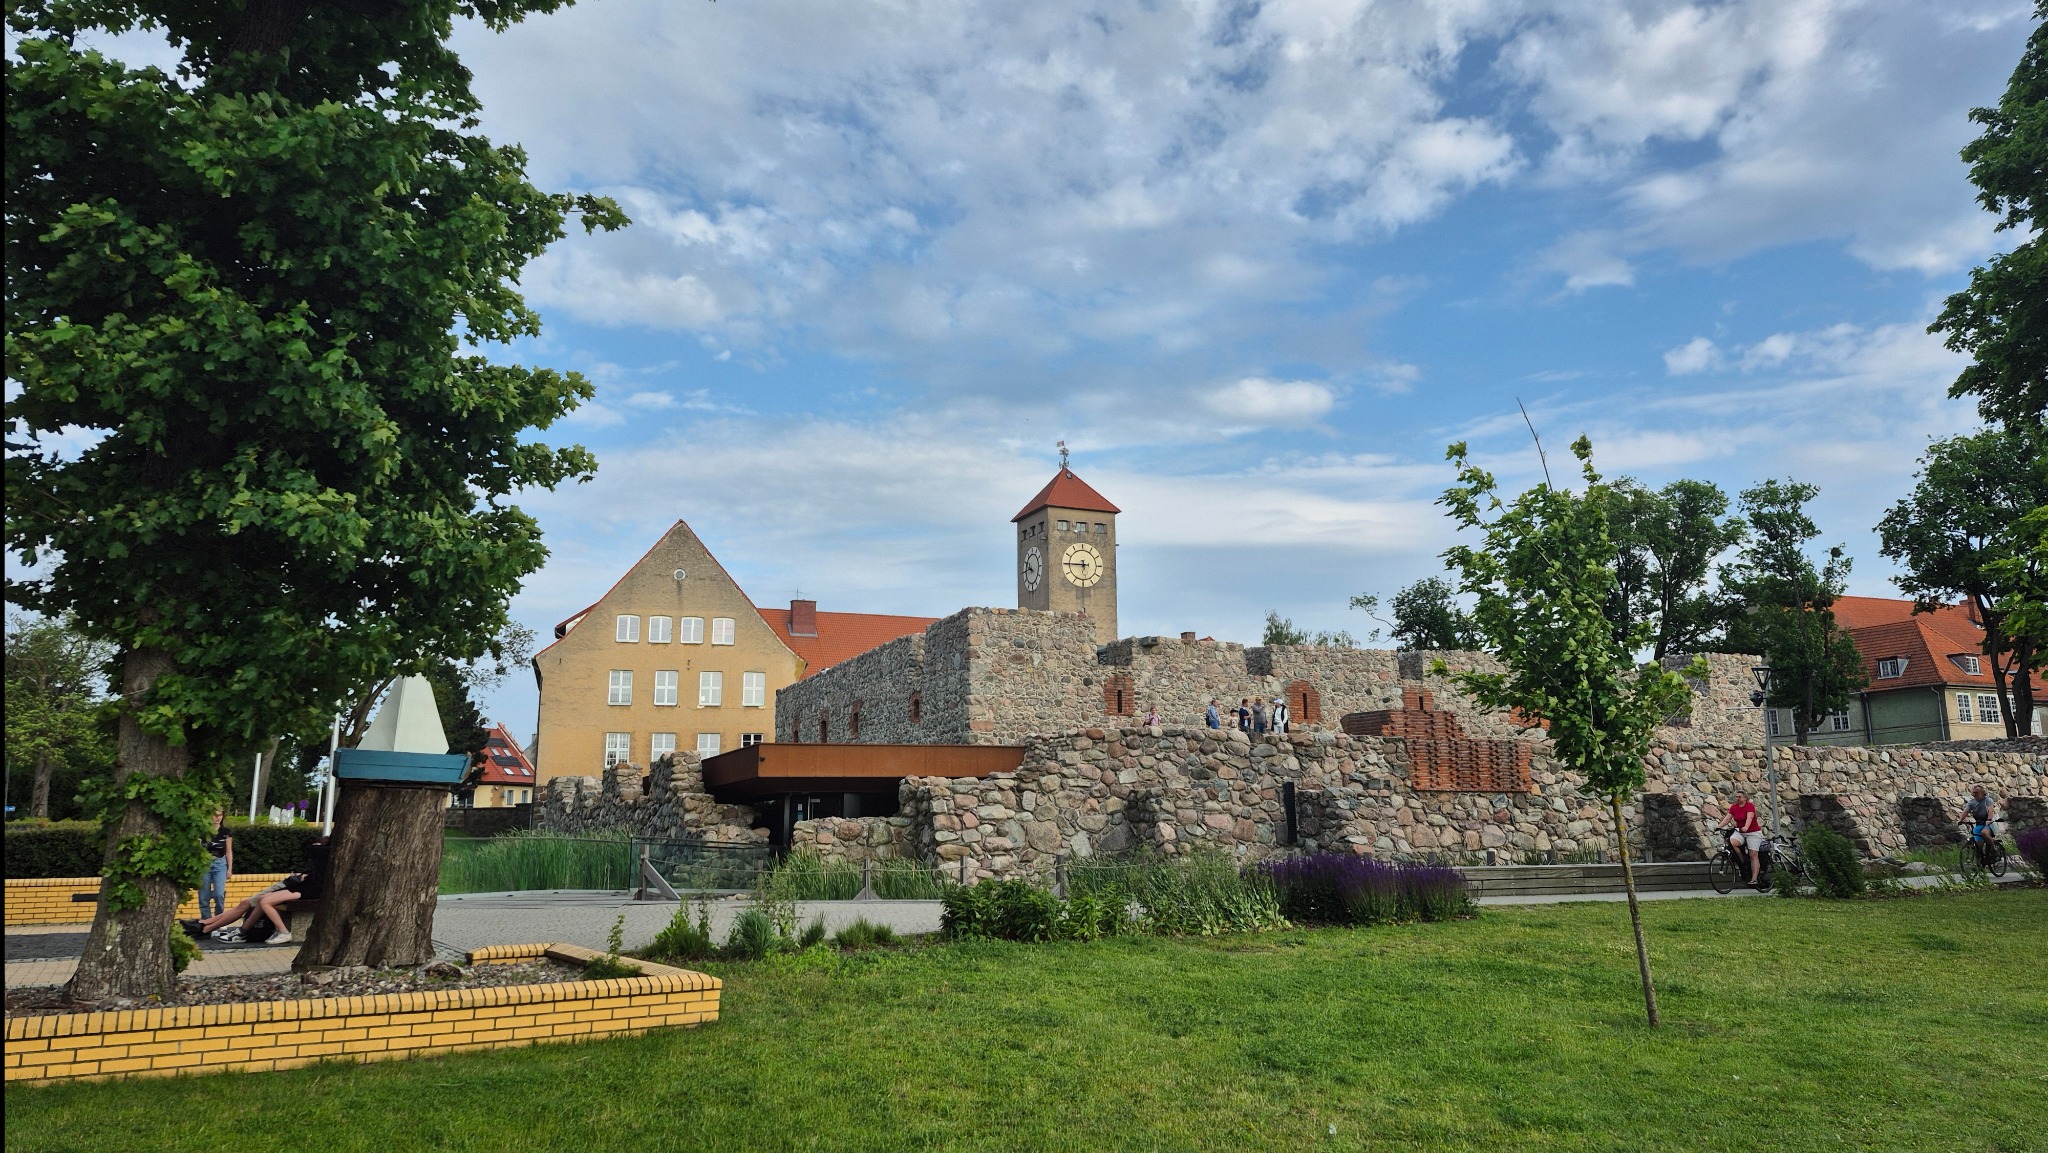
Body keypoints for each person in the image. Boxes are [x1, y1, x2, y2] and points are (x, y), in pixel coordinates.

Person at [185, 836, 327, 946]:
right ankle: (204, 925)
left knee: (248, 903)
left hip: (292, 886)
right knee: (246, 903)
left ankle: (205, 927)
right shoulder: (317, 858)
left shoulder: (319, 855)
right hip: (291, 885)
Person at [199, 807, 232, 920]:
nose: (217, 817)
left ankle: (219, 918)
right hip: (205, 863)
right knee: (204, 895)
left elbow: (228, 851)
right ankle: (206, 920)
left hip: (220, 863)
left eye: (220, 815)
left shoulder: (226, 832)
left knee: (219, 894)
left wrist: (229, 869)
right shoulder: (203, 831)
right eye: (215, 815)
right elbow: (198, 849)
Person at [1725, 790, 1763, 885]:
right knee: (1732, 841)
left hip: (1753, 832)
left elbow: (1749, 817)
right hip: (1741, 832)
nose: (1737, 798)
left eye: (1739, 797)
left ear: (1745, 798)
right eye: (1736, 796)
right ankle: (1741, 860)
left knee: (1753, 855)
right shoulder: (1734, 807)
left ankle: (1754, 878)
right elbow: (1727, 818)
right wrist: (1718, 826)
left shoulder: (1749, 806)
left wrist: (1746, 827)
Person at [1964, 785, 1998, 861]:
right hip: (1979, 824)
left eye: (1977, 792)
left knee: (1984, 833)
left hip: (1989, 824)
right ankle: (1980, 863)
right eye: (1973, 792)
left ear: (1982, 793)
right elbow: (1965, 812)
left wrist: (1988, 820)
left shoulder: (1988, 800)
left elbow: (1990, 811)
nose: (1974, 794)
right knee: (1978, 845)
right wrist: (1960, 820)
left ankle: (1993, 848)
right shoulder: (1971, 803)